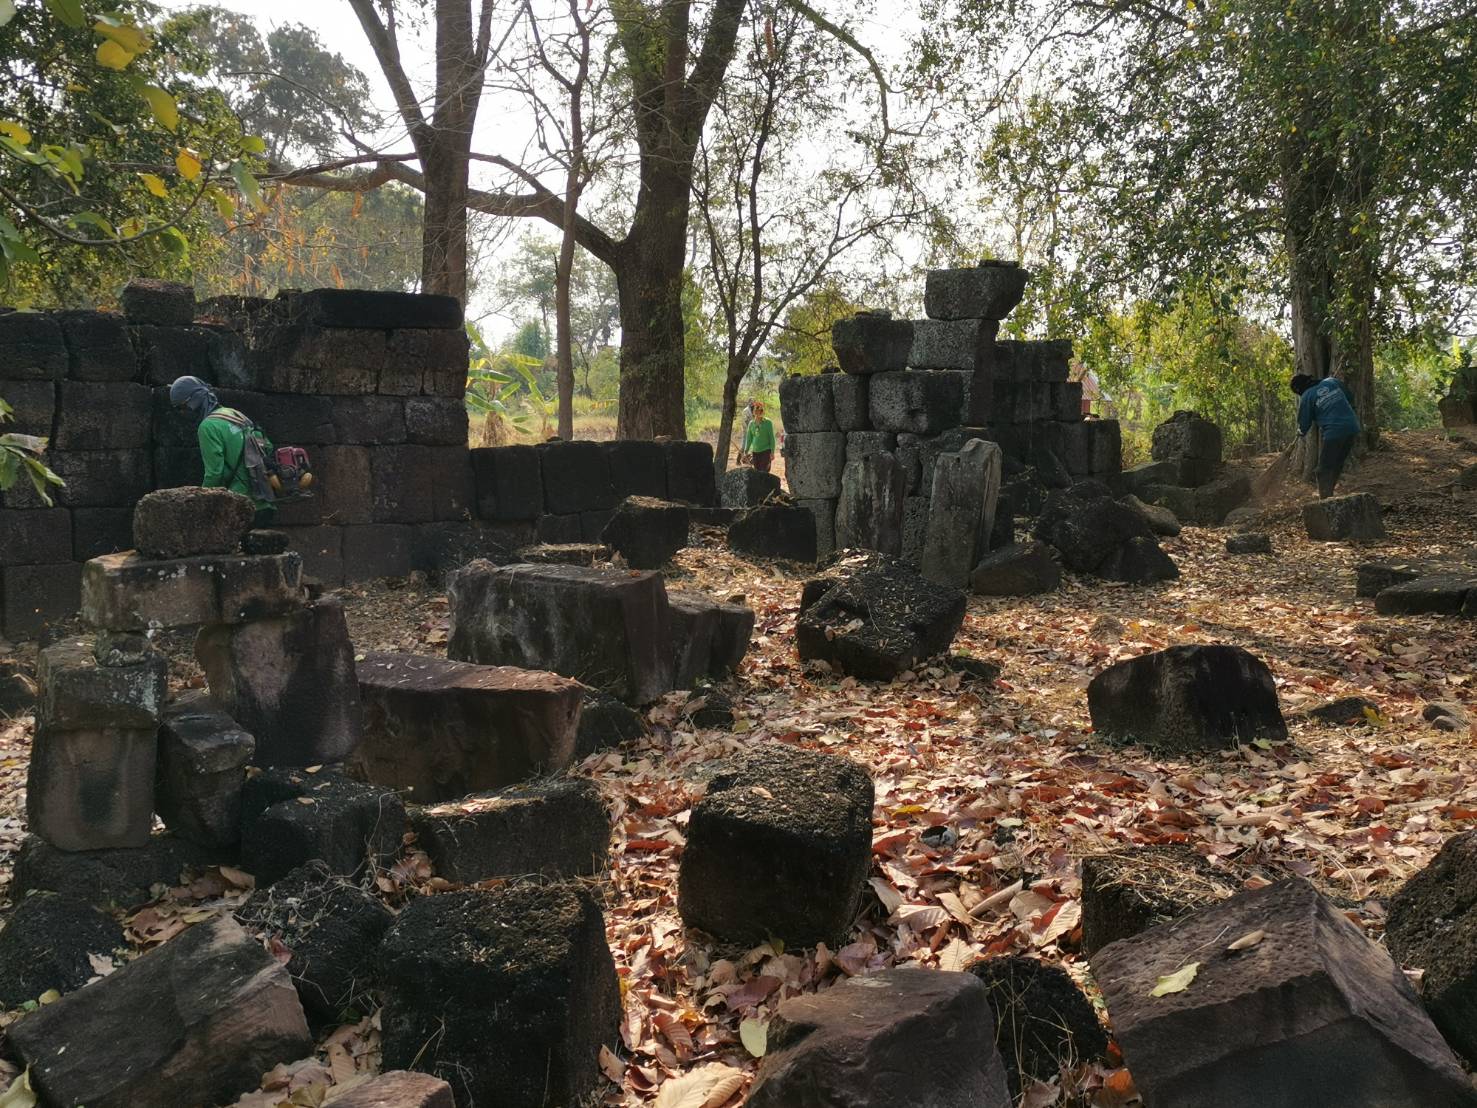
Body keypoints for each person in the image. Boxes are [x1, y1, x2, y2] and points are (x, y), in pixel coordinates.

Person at [168, 375, 277, 525]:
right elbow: (268, 447)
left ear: (194, 401)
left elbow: (214, 473)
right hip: (265, 501)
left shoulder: (208, 426)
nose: (183, 413)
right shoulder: (235, 414)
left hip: (238, 507)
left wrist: (203, 505)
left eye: (183, 407)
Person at [1291, 373, 1362, 498]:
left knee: (1322, 470)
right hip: (1352, 427)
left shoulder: (1307, 396)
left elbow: (1304, 423)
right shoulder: (1331, 381)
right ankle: (1330, 495)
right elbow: (1350, 397)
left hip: (1334, 432)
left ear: (1299, 389)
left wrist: (1300, 432)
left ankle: (1325, 500)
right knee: (1337, 464)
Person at [742, 400, 776, 473]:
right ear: (754, 412)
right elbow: (749, 439)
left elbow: (772, 438)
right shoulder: (751, 424)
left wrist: (772, 452)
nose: (758, 412)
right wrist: (746, 451)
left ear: (762, 411)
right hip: (755, 452)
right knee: (756, 472)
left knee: (764, 472)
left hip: (766, 452)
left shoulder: (768, 423)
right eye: (756, 410)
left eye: (760, 410)